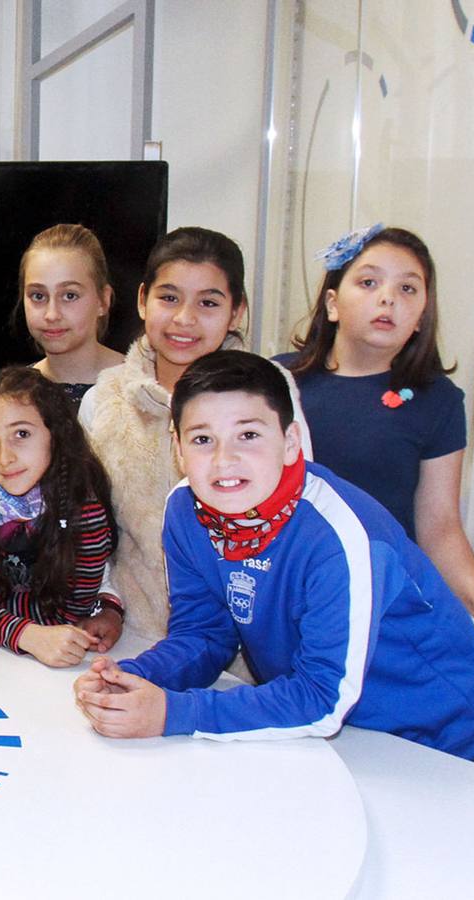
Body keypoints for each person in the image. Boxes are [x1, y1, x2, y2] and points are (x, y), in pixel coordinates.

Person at [74, 350, 474, 763]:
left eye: (249, 435)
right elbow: (204, 634)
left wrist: (173, 713)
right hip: (322, 728)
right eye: (203, 439)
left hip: (433, 732)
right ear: (179, 450)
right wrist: (135, 678)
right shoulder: (185, 509)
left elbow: (322, 698)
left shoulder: (341, 535)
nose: (225, 460)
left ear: (291, 441)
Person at [280, 224, 474, 647]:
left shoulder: (438, 401)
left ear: (422, 315)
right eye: (368, 282)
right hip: (285, 592)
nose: (388, 299)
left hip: (383, 598)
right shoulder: (277, 380)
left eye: (407, 289)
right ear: (332, 303)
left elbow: (439, 527)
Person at [80, 226, 309, 640]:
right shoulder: (105, 398)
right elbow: (85, 527)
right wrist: (105, 603)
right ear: (143, 300)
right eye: (169, 298)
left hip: (247, 645)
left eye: (208, 302)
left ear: (236, 311)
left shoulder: (269, 387)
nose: (185, 319)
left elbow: (298, 518)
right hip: (132, 634)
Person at [0, 367, 119, 666]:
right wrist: (25, 634)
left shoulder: (83, 505)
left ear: (56, 434)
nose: (5, 458)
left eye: (22, 434)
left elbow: (66, 614)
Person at [18, 224, 124, 403]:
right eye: (38, 296)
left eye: (69, 295)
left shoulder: (143, 389)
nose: (51, 314)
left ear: (103, 300)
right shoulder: (13, 395)